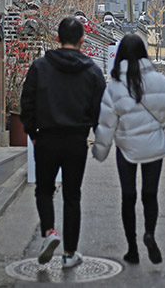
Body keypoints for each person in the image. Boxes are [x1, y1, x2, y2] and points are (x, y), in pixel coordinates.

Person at [20, 17, 106, 268]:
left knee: (44, 189)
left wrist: (32, 133)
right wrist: (92, 132)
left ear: (57, 38)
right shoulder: (92, 70)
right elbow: (98, 109)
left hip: (46, 138)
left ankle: (48, 233)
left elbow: (27, 103)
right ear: (82, 39)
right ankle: (70, 254)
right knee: (72, 195)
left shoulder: (40, 67)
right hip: (76, 141)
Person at [92, 34, 165, 265]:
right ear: (144, 54)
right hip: (154, 145)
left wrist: (100, 151)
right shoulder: (160, 81)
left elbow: (106, 123)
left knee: (128, 196)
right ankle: (149, 233)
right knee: (150, 194)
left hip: (127, 148)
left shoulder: (115, 87)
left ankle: (132, 249)